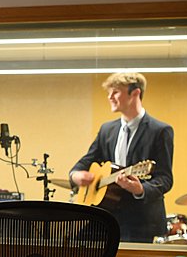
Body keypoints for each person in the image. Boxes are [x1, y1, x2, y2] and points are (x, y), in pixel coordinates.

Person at [70, 72, 174, 242]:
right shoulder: (107, 130)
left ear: (135, 93)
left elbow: (165, 178)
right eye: (109, 92)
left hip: (141, 222)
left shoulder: (160, 131)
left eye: (116, 92)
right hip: (105, 217)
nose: (110, 97)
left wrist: (140, 190)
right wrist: (76, 175)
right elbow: (84, 163)